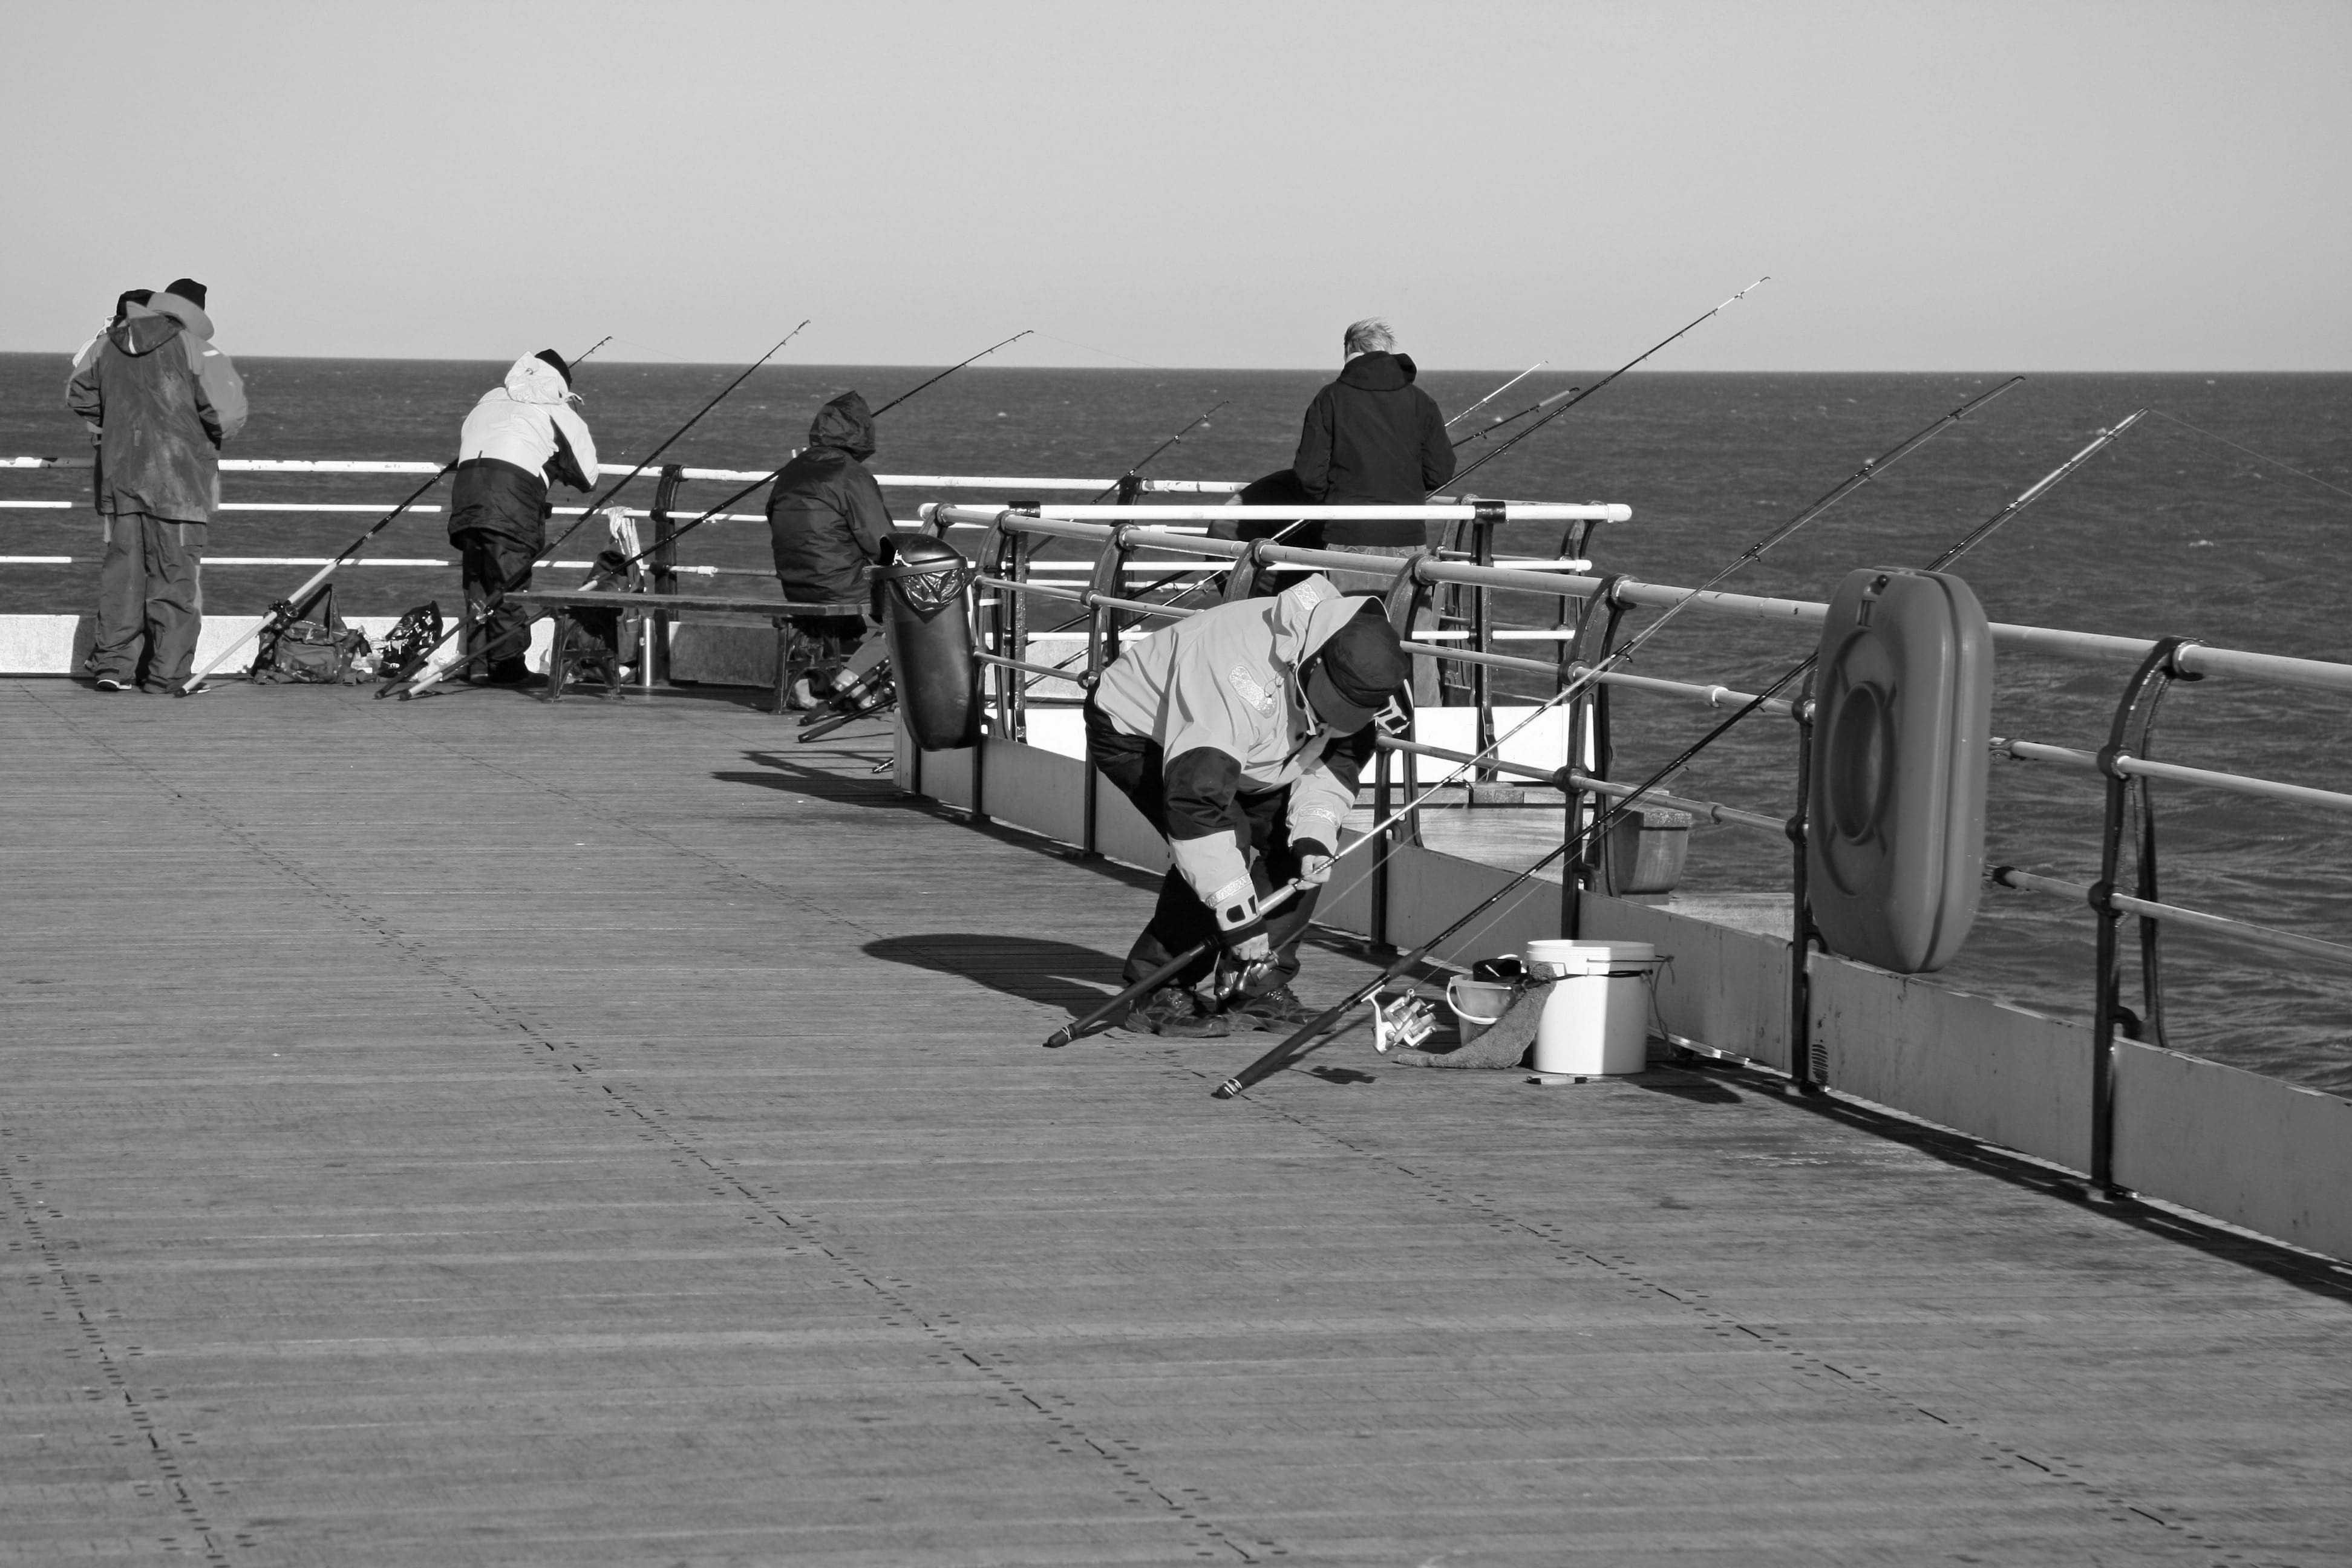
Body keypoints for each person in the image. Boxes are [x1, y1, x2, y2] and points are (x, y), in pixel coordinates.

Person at [1085, 574, 1411, 1037]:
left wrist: (1314, 833)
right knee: (1226, 845)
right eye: (1329, 708)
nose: (1335, 722)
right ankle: (1157, 990)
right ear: (1311, 666)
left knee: (1302, 849)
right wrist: (1238, 920)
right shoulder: (1231, 670)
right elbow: (1195, 809)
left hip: (1268, 750)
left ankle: (1256, 983)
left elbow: (1332, 765)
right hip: (1140, 731)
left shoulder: (1366, 674)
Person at [64, 279, 247, 692]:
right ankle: (166, 675)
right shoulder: (200, 350)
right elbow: (228, 415)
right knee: (176, 581)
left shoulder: (108, 343)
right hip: (180, 485)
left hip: (119, 480)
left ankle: (113, 666)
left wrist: (114, 422)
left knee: (122, 579)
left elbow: (79, 393)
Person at [448, 350, 598, 685]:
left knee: (478, 581)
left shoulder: (489, 398)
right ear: (561, 383)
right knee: (509, 585)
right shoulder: (557, 409)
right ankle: (508, 667)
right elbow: (588, 477)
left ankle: (479, 664)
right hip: (511, 501)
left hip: (467, 490)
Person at [1291, 317, 1456, 594]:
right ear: (1386, 352)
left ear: (1349, 352)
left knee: (1350, 630)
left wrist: (1335, 499)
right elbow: (1439, 471)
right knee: (1403, 636)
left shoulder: (1330, 398)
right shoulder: (1421, 401)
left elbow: (1309, 474)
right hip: (1407, 539)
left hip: (1347, 536)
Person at [766, 391, 894, 712]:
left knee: (846, 606)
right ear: (862, 433)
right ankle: (853, 681)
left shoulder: (792, 470)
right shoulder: (851, 475)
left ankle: (816, 682)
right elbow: (881, 542)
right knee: (907, 610)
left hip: (795, 583)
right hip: (837, 585)